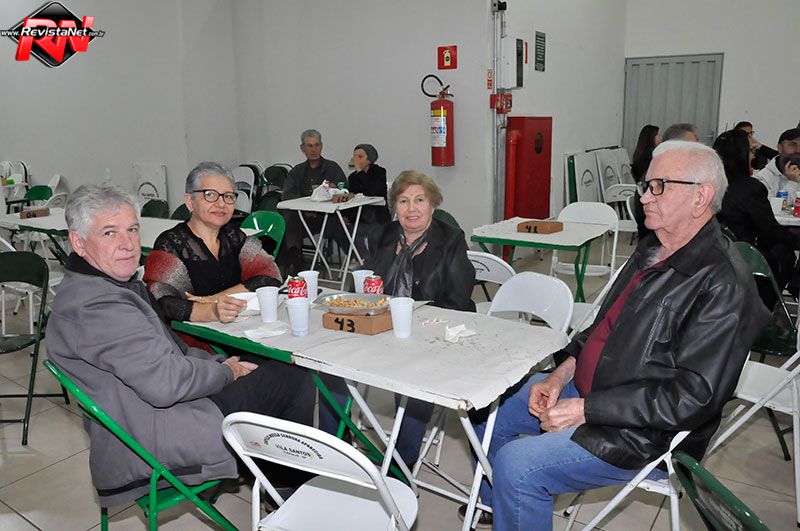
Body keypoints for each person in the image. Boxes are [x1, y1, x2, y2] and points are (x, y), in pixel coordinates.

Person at [467, 141, 769, 531]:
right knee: (484, 409)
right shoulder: (653, 247)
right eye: (645, 185)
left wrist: (586, 410)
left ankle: (515, 494)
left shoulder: (725, 284)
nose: (643, 197)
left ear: (700, 197)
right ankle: (499, 507)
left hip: (641, 433)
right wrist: (559, 376)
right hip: (590, 391)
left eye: (659, 186)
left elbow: (692, 397)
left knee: (517, 466)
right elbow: (599, 328)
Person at [45, 184, 315, 509]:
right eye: (109, 233)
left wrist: (221, 364)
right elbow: (167, 383)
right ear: (78, 242)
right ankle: (288, 493)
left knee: (258, 363)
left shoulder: (95, 287)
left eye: (132, 229)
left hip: (147, 417)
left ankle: (275, 478)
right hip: (157, 439)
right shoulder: (99, 306)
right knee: (293, 375)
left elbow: (173, 355)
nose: (128, 243)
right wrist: (227, 372)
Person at [319, 171, 476, 466]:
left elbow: (457, 300)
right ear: (395, 207)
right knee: (330, 365)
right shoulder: (383, 235)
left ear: (433, 204)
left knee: (414, 380)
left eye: (420, 200)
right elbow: (360, 286)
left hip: (431, 334)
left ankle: (400, 467)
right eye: (403, 201)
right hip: (381, 327)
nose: (411, 209)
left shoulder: (451, 239)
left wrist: (412, 322)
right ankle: (336, 450)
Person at [144, 162, 282, 350]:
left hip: (241, 333)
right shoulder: (171, 244)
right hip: (193, 345)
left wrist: (216, 298)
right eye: (210, 195)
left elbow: (270, 276)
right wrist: (211, 311)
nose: (221, 204)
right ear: (189, 201)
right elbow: (161, 302)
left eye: (228, 196)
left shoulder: (234, 236)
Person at [715, 129, 800, 305]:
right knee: (785, 254)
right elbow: (769, 230)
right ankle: (766, 306)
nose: (754, 156)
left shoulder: (711, 184)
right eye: (751, 151)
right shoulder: (751, 187)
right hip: (744, 254)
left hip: (717, 250)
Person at [279, 129, 350, 275]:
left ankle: (294, 264)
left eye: (316, 145)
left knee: (339, 223)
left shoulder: (333, 168)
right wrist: (305, 208)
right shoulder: (297, 171)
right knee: (289, 218)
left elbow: (346, 194)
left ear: (321, 146)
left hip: (327, 217)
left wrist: (334, 190)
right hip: (302, 217)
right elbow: (287, 196)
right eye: (309, 146)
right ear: (302, 148)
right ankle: (294, 262)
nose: (313, 149)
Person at [345, 143, 391, 254]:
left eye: (360, 157)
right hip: (360, 217)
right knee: (349, 232)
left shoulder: (379, 172)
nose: (356, 159)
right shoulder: (353, 177)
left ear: (369, 160)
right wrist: (346, 215)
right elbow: (352, 197)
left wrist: (360, 172)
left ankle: (374, 259)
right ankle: (365, 259)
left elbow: (373, 190)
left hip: (378, 217)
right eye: (355, 156)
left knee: (374, 235)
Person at [754, 128, 800, 198]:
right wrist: (792, 183)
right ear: (780, 148)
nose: (798, 150)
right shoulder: (763, 178)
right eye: (793, 144)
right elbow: (768, 205)